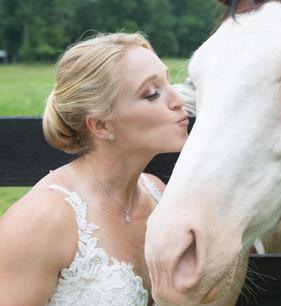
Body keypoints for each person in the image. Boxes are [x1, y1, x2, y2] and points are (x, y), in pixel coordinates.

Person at [0, 33, 189, 305]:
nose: (178, 100)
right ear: (101, 125)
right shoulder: (41, 219)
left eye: (169, 82)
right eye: (152, 94)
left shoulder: (157, 194)